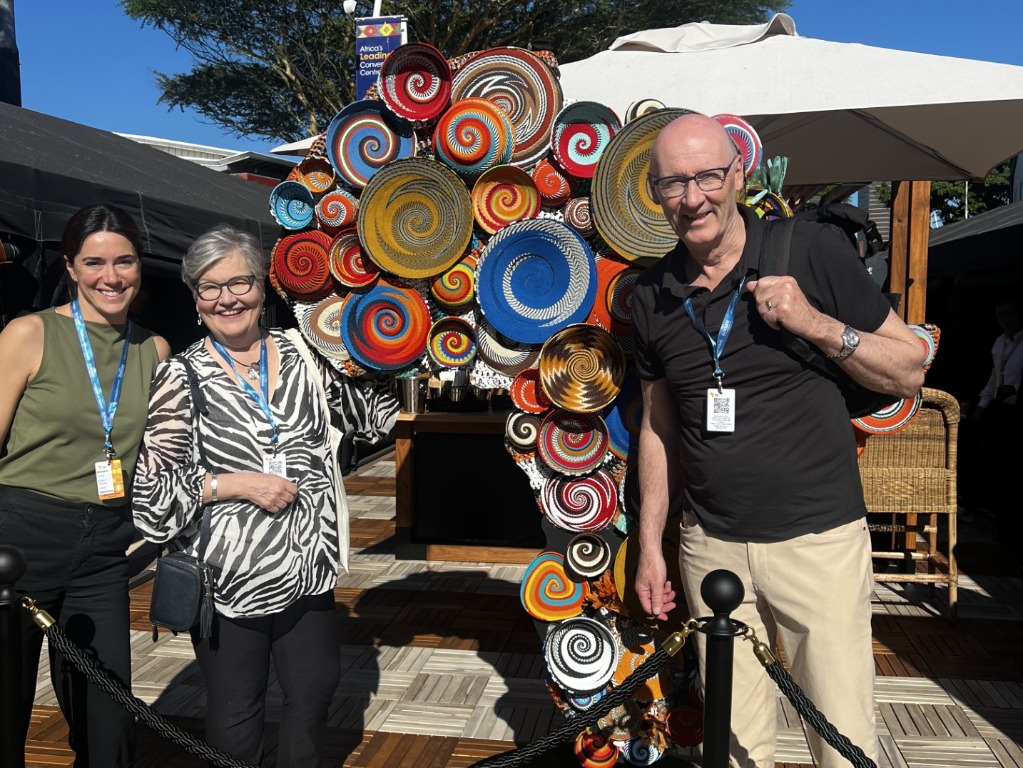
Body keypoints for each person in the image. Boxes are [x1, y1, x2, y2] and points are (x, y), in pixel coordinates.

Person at [631, 114, 926, 768]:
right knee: (732, 747)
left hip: (817, 544)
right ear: (654, 193)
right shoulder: (650, 296)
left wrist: (815, 322)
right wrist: (652, 545)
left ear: (738, 175)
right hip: (711, 546)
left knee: (841, 737)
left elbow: (909, 366)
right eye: (673, 183)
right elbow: (657, 427)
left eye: (708, 176)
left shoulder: (810, 251)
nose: (693, 197)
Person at [131, 224, 397, 767]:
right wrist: (232, 484)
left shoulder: (305, 356)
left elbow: (374, 419)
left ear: (262, 287)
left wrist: (386, 334)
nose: (227, 298)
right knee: (236, 716)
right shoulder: (181, 377)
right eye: (210, 287)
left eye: (240, 282)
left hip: (307, 567)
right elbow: (152, 498)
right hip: (228, 580)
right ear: (195, 298)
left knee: (315, 692)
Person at [0, 204, 170, 766]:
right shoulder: (29, 333)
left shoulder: (154, 350)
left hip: (103, 549)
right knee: (5, 709)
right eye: (94, 262)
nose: (111, 276)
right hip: (19, 541)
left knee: (108, 720)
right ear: (70, 267)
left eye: (124, 261)